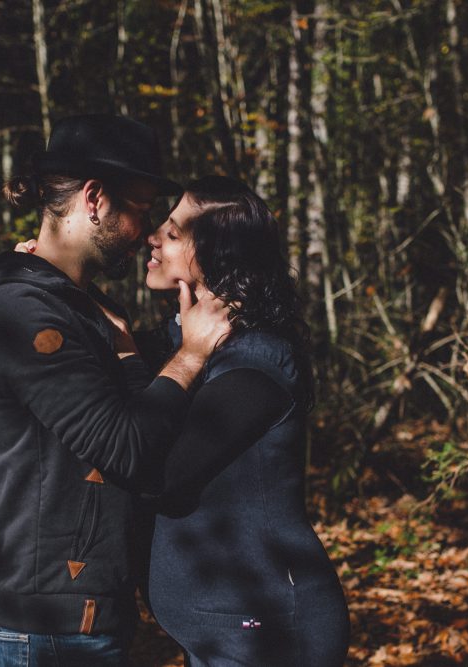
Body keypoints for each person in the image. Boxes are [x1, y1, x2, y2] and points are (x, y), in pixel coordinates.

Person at [0, 115, 231, 666]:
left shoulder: (72, 306)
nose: (147, 230)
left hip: (77, 613)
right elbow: (129, 448)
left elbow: (135, 413)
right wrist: (191, 356)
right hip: (55, 624)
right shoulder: (26, 311)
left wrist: (134, 347)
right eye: (138, 207)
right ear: (94, 198)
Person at [137, 175, 350, 666]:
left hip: (267, 632)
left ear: (217, 252)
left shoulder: (257, 359)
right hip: (225, 632)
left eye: (171, 234)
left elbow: (160, 472)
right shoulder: (183, 346)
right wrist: (47, 278)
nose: (153, 238)